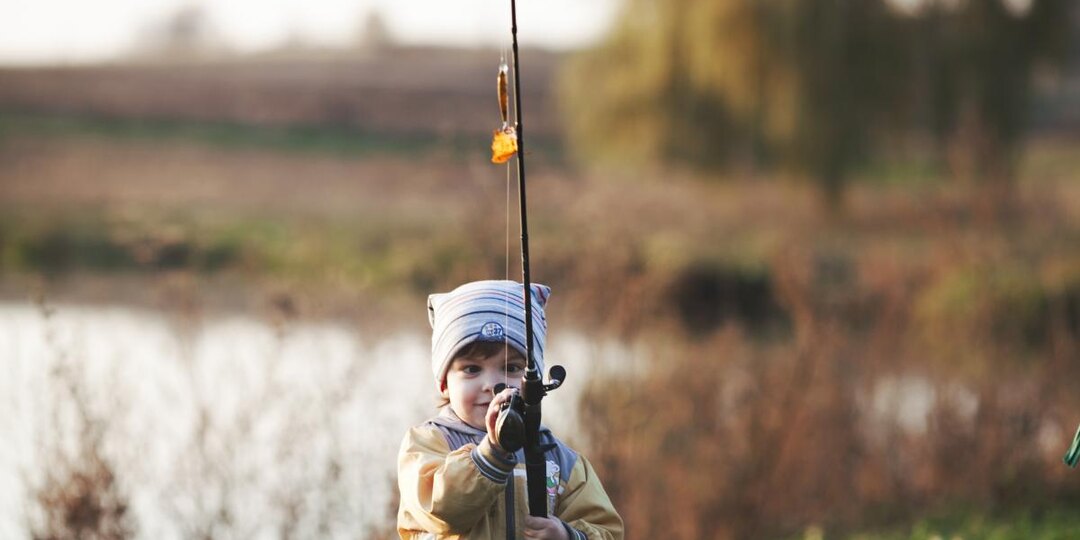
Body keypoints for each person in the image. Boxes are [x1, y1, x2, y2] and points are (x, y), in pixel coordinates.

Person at [397, 280, 624, 539]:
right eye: (472, 369)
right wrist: (490, 455)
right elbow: (441, 511)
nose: (492, 384)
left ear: (535, 382)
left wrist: (568, 535)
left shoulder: (561, 461)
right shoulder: (427, 445)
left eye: (512, 368)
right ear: (443, 384)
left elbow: (608, 531)